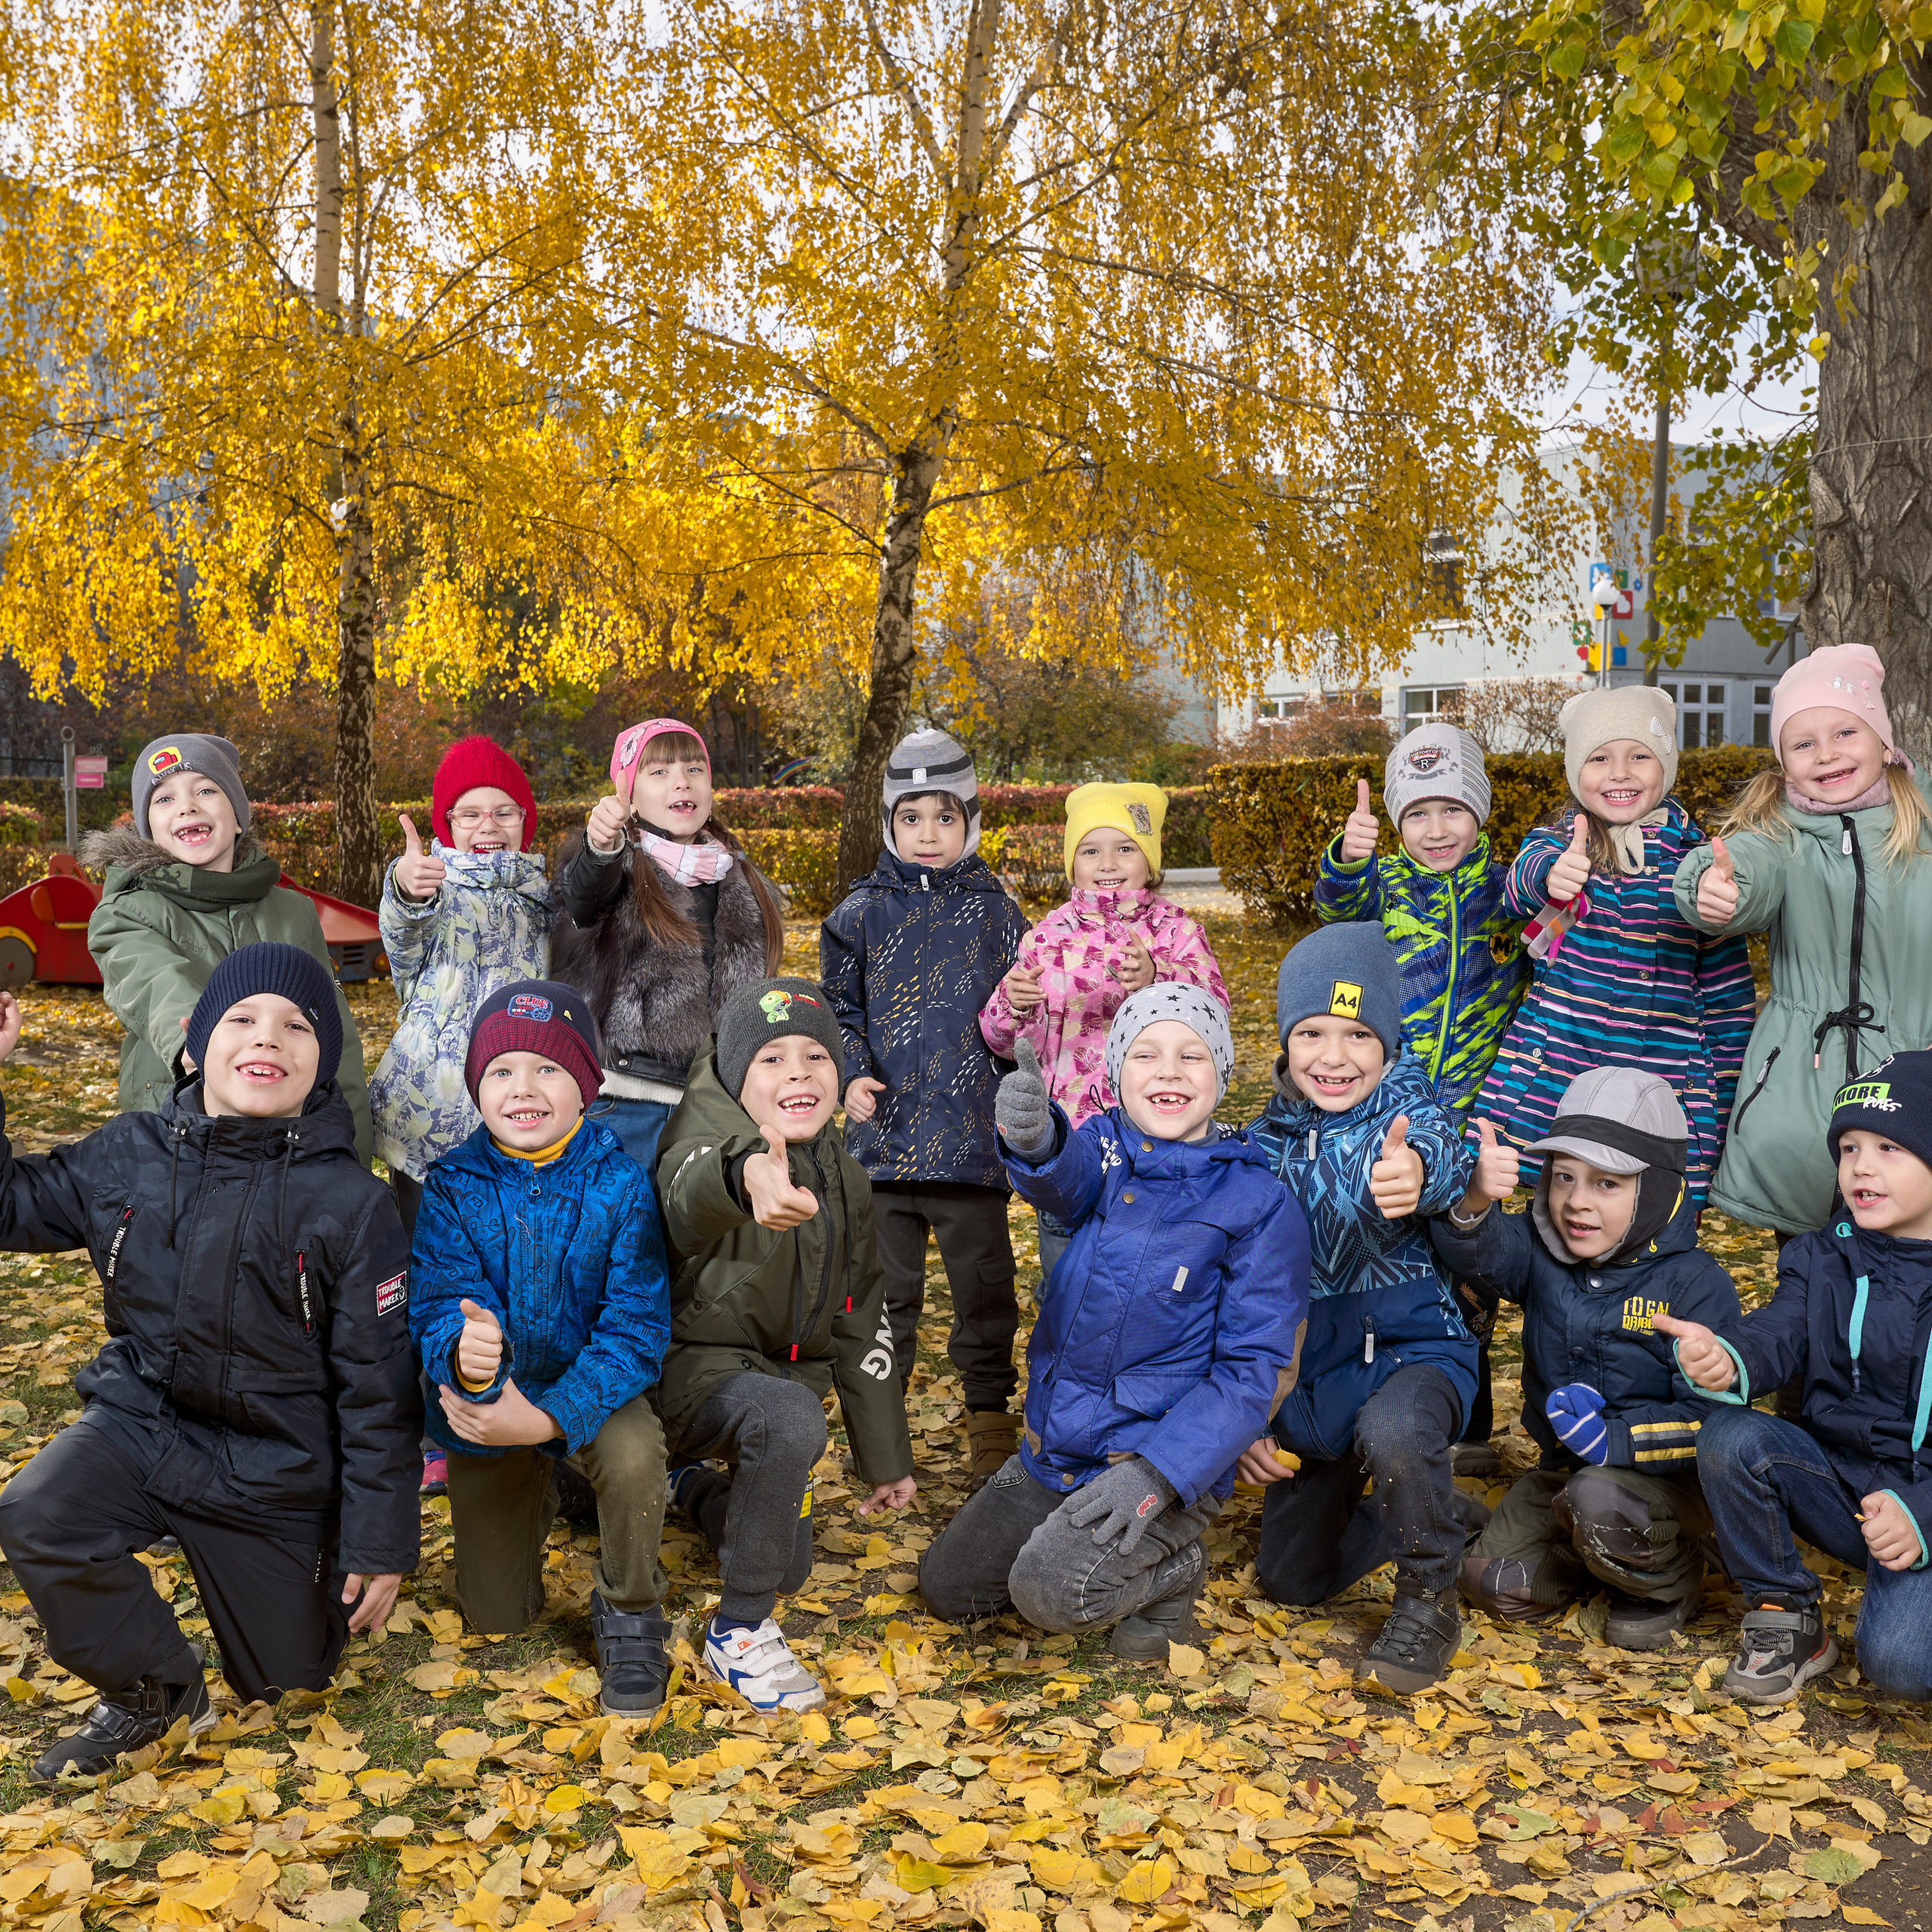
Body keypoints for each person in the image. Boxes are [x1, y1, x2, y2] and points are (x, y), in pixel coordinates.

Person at [0, 945, 418, 1781]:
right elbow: (9, 1205)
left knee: (285, 1683)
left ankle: (287, 1580)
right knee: (37, 1510)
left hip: (277, 1467)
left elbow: (379, 1390)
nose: (268, 1037)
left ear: (320, 1066)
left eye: (298, 1026)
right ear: (195, 1046)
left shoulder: (353, 1204)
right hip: (144, 1426)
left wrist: (381, 1542)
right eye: (241, 1018)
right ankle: (156, 1693)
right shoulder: (127, 1152)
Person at [919, 988, 1309, 1654]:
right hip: (1058, 1451)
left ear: (1222, 1074)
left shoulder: (1259, 1203)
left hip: (1156, 1464)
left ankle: (1175, 1573)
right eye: (1146, 1054)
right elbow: (1061, 1181)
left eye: (1193, 1055)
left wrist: (1159, 1471)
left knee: (1050, 1593)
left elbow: (1253, 1369)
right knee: (948, 1590)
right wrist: (1038, 1140)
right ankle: (1066, 1529)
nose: (1169, 1070)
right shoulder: (1101, 1152)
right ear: (1116, 1074)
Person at [409, 981, 672, 1716]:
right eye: (501, 1071)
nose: (523, 1088)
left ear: (586, 1087)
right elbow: (435, 1307)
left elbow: (635, 1330)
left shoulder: (620, 1185)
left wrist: (549, 1417)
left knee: (631, 1454)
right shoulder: (454, 1183)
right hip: (491, 1409)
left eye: (548, 1068)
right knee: (497, 1612)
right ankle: (545, 1486)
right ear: (477, 1088)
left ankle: (631, 1609)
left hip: (592, 1390)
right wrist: (468, 1359)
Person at [655, 977, 915, 1712]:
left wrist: (885, 1457)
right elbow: (686, 1188)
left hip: (774, 1384)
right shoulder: (703, 1141)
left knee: (789, 1564)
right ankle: (737, 1634)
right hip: (684, 1373)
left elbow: (861, 1313)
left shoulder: (847, 1178)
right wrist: (744, 1180)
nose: (797, 1072)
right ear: (737, 1080)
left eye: (814, 1056)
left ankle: (686, 1488)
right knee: (789, 1422)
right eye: (770, 1059)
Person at [1244, 921, 1481, 1694]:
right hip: (1318, 1377)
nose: (1333, 1056)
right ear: (1285, 1041)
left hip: (1413, 1349)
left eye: (1357, 1034)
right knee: (1289, 1579)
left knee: (1396, 1430)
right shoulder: (1263, 1142)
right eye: (1310, 1033)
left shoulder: (1407, 1114)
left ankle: (1429, 1596)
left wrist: (1415, 1172)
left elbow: (1447, 1156)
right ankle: (1437, 1514)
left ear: (1387, 1044)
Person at [1429, 1068, 1739, 1648]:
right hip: (1566, 1474)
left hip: (1668, 1485)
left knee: (1599, 1498)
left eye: (1607, 1184)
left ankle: (1668, 1579)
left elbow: (1714, 1426)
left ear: (1656, 1190)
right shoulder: (1546, 1254)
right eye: (1563, 1178)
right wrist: (1475, 1199)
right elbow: (1480, 1254)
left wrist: (1613, 1442)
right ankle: (1592, 1558)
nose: (1576, 1203)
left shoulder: (1697, 1285)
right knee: (1490, 1582)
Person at [1663, 1053, 1932, 1703]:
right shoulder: (1820, 1254)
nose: (1861, 1166)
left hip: (1922, 1502)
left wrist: (1922, 1513)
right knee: (1729, 1435)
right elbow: (1778, 1332)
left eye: (1890, 1147)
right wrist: (1729, 1359)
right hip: (1842, 1488)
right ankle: (1787, 1613)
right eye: (1849, 1147)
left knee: (1899, 1667)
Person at [1317, 722, 1528, 1477]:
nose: (1436, 829)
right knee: (1400, 1262)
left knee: (1470, 1271)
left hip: (1477, 1110)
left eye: (1452, 809)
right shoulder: (1386, 884)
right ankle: (1384, 1403)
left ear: (1479, 812)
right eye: (1417, 813)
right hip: (1394, 1109)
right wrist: (1350, 855)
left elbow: (1547, 923)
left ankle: (1470, 1424)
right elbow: (1338, 904)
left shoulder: (1500, 889)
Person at [820, 728, 1029, 1491]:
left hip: (972, 1146)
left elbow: (1018, 1019)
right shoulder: (859, 913)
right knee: (884, 1299)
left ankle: (988, 1422)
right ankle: (881, 1432)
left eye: (945, 817)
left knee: (984, 1293)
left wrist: (1022, 1069)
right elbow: (837, 1010)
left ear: (969, 820)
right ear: (889, 824)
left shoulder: (998, 915)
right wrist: (850, 1075)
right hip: (882, 1148)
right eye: (913, 818)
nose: (929, 834)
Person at [1674, 642, 1932, 1235]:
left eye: (1846, 732)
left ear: (1884, 741)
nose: (1827, 754)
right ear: (1784, 762)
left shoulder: (1923, 830)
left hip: (1914, 1093)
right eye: (1803, 742)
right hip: (1800, 1092)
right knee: (1809, 1284)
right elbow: (1744, 867)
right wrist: (1714, 888)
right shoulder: (1780, 836)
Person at [1473, 687, 1754, 1206]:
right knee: (1538, 1221)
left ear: (1665, 766)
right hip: (1551, 1075)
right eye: (1599, 758)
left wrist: (1725, 1103)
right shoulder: (1561, 842)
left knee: (1646, 1225)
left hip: (1662, 1087)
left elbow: (1727, 1004)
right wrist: (1554, 880)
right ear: (1577, 770)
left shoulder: (1695, 865)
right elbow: (1518, 893)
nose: (1619, 773)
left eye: (1639, 756)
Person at [978, 780, 1229, 1286]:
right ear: (1073, 863)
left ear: (1151, 861)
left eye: (1125, 848)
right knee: (1070, 1267)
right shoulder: (1047, 938)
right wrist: (1013, 1003)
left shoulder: (1177, 931)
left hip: (1158, 1134)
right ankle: (1068, 1354)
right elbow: (1003, 1041)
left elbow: (1216, 1011)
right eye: (1091, 850)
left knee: (1152, 1271)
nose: (1108, 863)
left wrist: (1158, 979)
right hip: (1074, 1137)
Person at [83, 733, 371, 1161]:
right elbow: (150, 980)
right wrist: (200, 1040)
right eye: (163, 799)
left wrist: (353, 1147)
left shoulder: (294, 912)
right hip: (182, 1127)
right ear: (149, 831)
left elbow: (334, 1031)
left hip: (290, 1121)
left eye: (206, 790)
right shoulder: (126, 912)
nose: (187, 806)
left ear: (237, 817)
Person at [550, 719, 783, 1183]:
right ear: (629, 796)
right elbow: (582, 896)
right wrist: (601, 846)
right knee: (631, 1248)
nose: (682, 781)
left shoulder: (743, 881)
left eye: (695, 768)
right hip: (628, 1108)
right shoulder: (615, 868)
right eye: (658, 772)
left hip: (720, 1111)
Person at [369, 736, 551, 1237]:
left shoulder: (546, 903)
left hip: (522, 1110)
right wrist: (406, 889)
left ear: (524, 822)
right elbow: (403, 929)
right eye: (469, 814)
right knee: (431, 1260)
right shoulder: (434, 890)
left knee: (513, 1255)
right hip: (429, 1117)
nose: (487, 826)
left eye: (504, 813)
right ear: (446, 826)